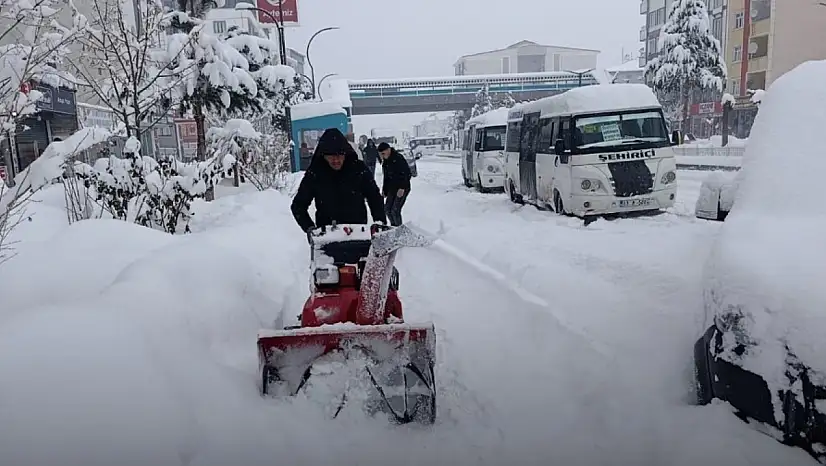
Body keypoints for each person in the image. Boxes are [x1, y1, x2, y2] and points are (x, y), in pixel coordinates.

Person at [291, 128, 386, 235]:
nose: (336, 160)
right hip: (327, 236)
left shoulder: (358, 169)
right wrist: (309, 228)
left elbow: (375, 198)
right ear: (323, 155)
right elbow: (298, 206)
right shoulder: (315, 173)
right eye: (331, 156)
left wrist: (379, 223)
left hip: (357, 233)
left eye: (339, 156)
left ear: (346, 154)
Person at [377, 142, 411, 226]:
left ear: (388, 150)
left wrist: (402, 188)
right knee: (387, 209)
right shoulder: (385, 162)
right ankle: (394, 227)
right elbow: (386, 178)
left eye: (383, 153)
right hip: (392, 188)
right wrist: (384, 190)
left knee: (395, 210)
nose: (382, 156)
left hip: (402, 188)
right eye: (380, 154)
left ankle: (399, 230)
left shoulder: (398, 158)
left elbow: (407, 174)